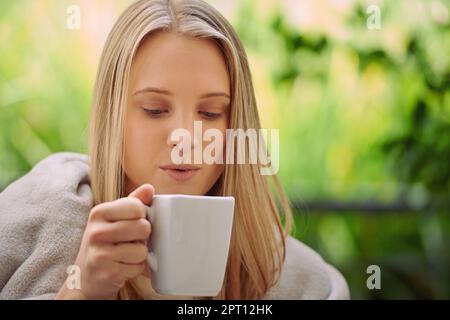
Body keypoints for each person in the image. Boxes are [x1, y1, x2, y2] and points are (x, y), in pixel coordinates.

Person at [0, 0, 349, 300]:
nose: (185, 138)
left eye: (211, 113)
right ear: (112, 116)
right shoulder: (50, 208)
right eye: (154, 109)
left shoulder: (275, 265)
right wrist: (80, 291)